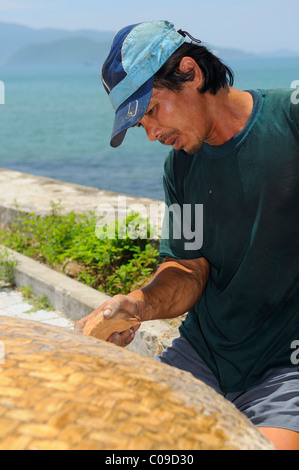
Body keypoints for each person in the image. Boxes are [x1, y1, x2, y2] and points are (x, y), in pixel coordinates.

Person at [75, 21, 299, 449]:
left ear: (191, 72)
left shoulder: (290, 118)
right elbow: (188, 269)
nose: (154, 134)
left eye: (152, 111)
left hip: (287, 368)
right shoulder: (181, 168)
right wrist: (136, 304)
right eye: (141, 124)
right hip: (203, 356)